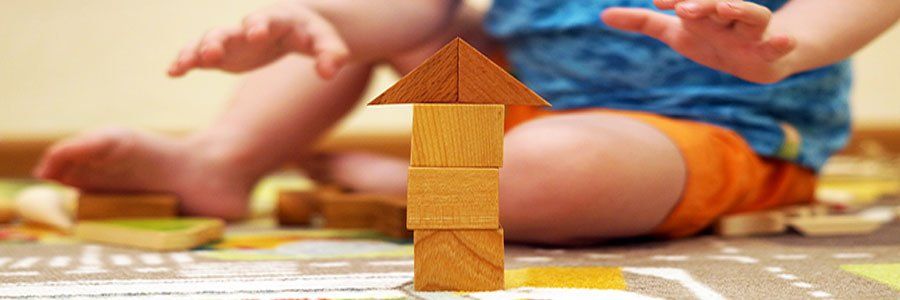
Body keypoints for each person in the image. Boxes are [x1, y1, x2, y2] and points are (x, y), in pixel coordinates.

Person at [33, 0, 900, 244]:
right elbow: (432, 21)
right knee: (366, 13)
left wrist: (789, 45)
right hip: (533, 113)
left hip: (719, 130)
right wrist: (309, 21)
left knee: (551, 170)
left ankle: (423, 188)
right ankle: (222, 159)